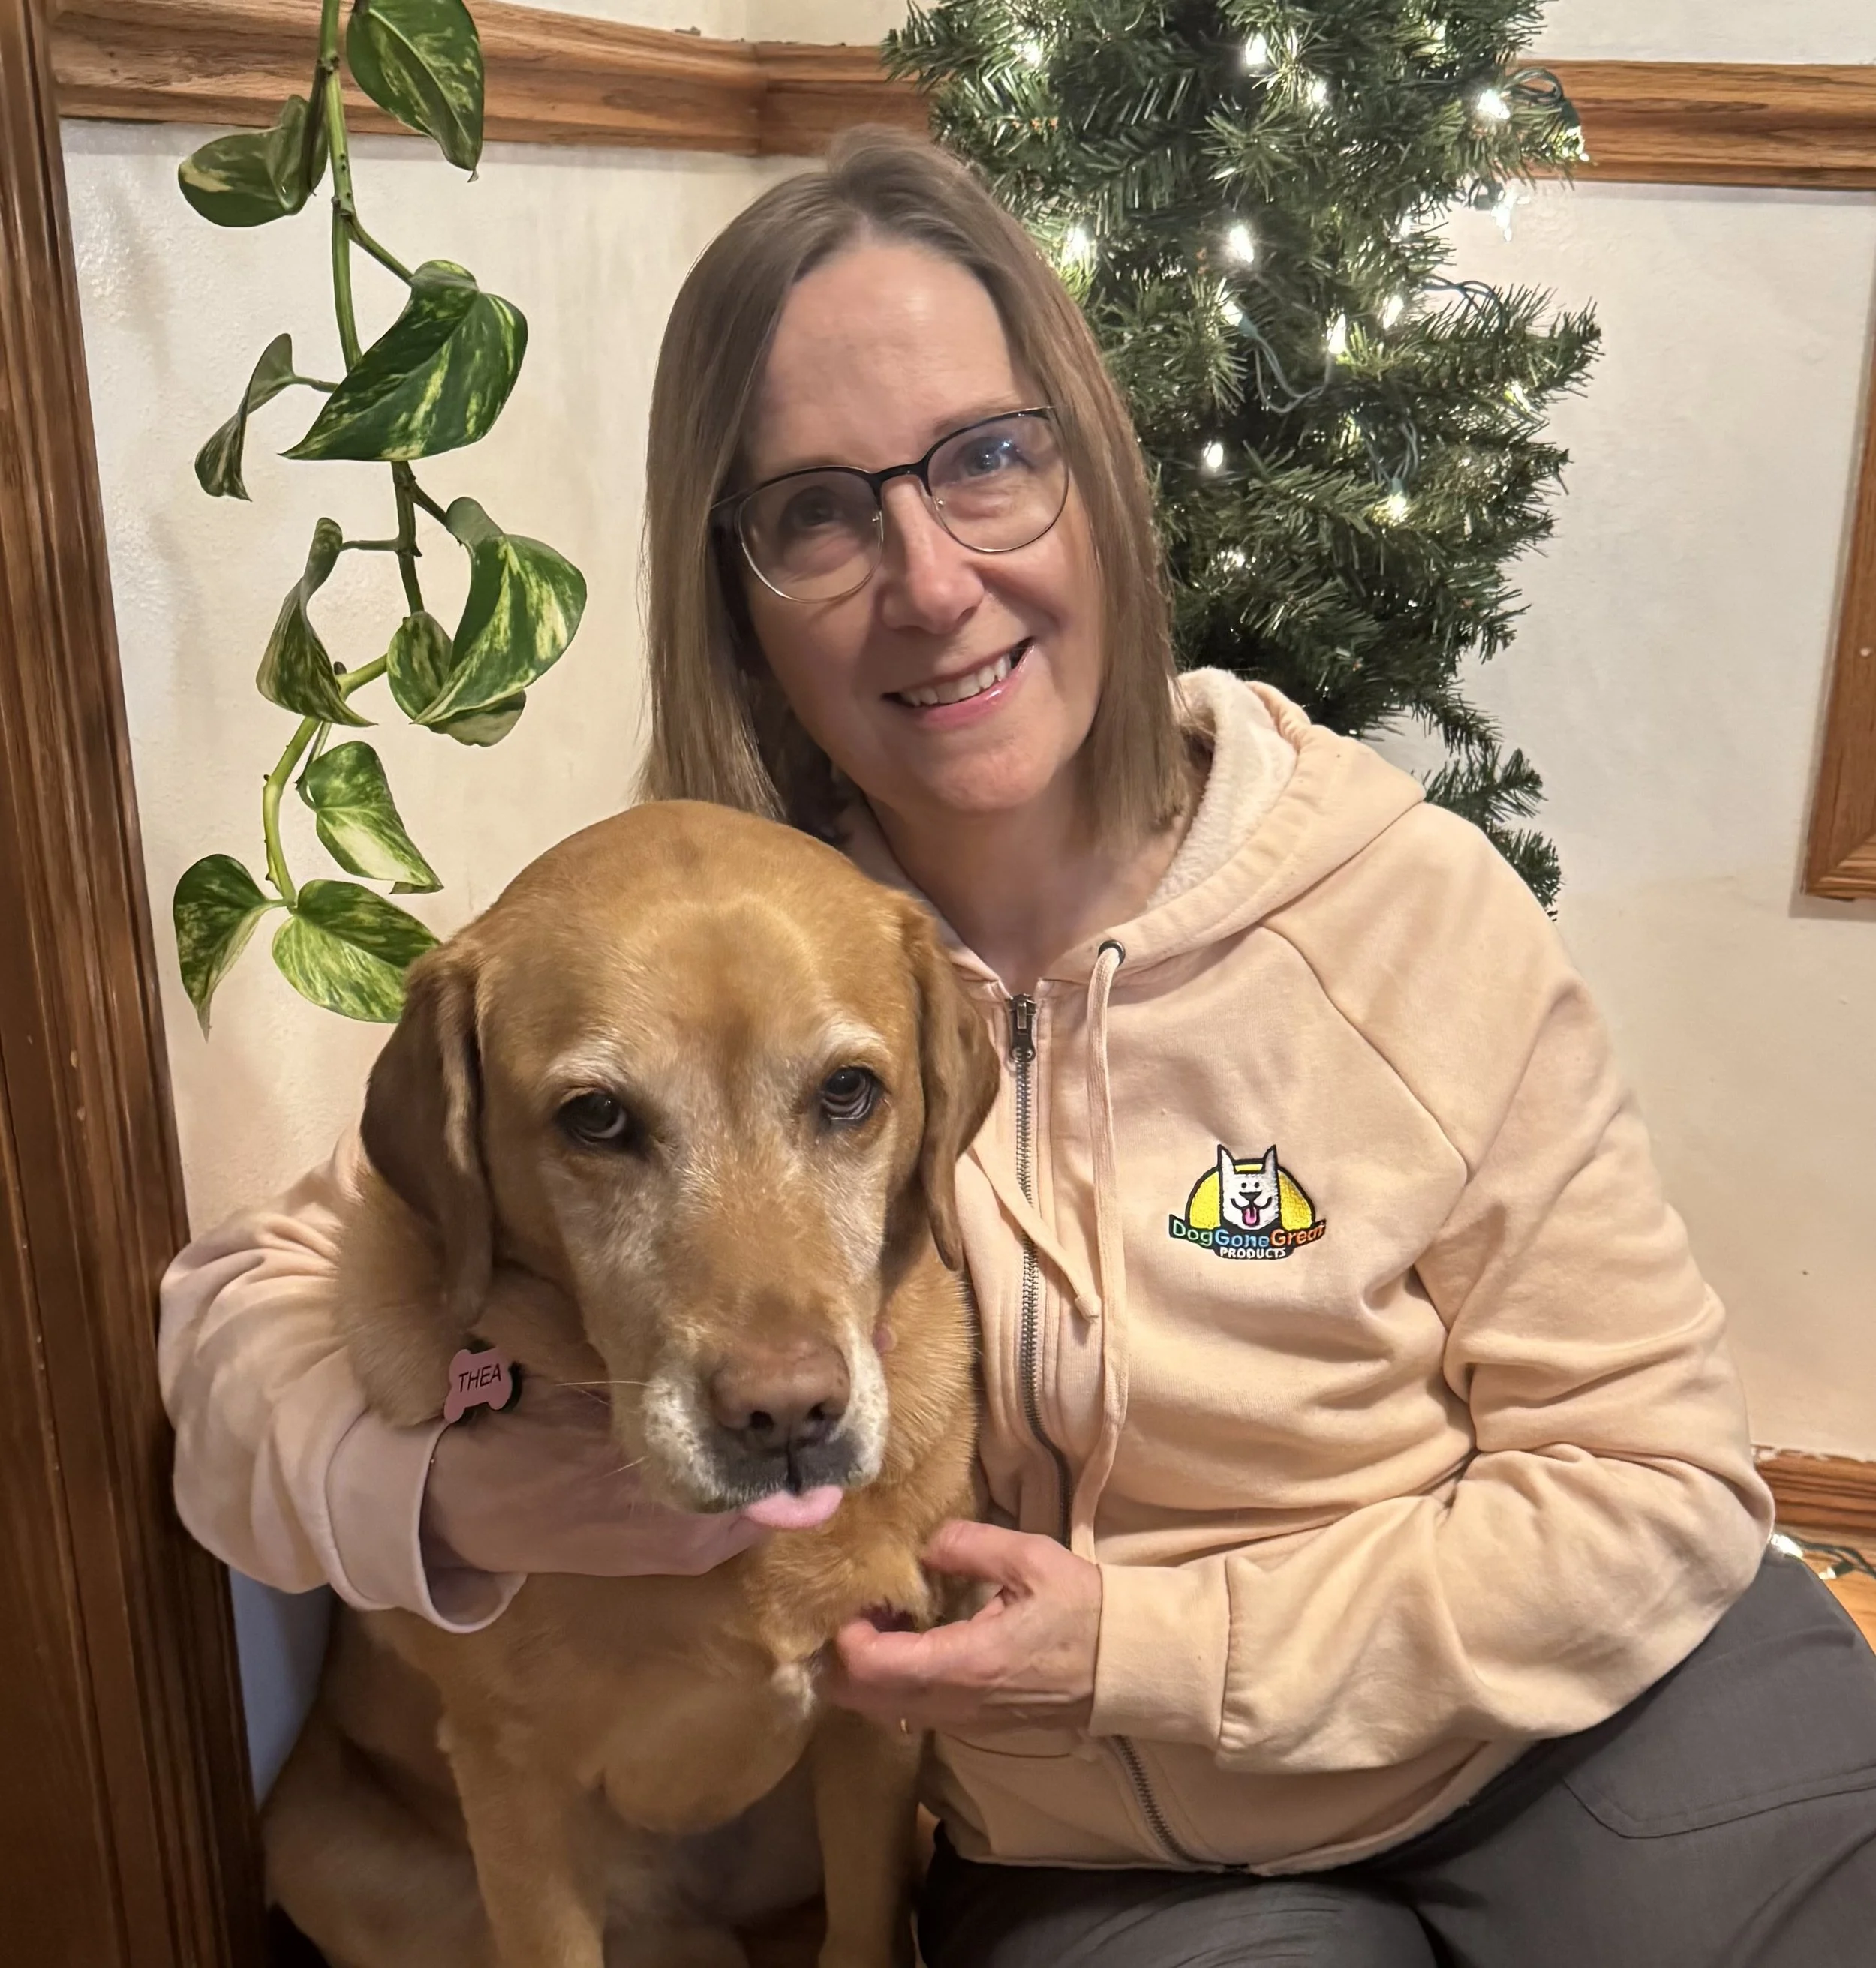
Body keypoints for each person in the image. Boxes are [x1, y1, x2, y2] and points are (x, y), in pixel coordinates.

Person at [161, 130, 1876, 1966]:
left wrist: (1147, 1650)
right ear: (735, 596)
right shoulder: (715, 945)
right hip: (1098, 1843)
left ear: (1096, 483)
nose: (927, 579)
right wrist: (440, 1498)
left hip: (1565, 1723)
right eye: (817, 513)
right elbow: (249, 1315)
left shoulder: (1405, 904)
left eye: (987, 457)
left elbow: (1656, 1491)